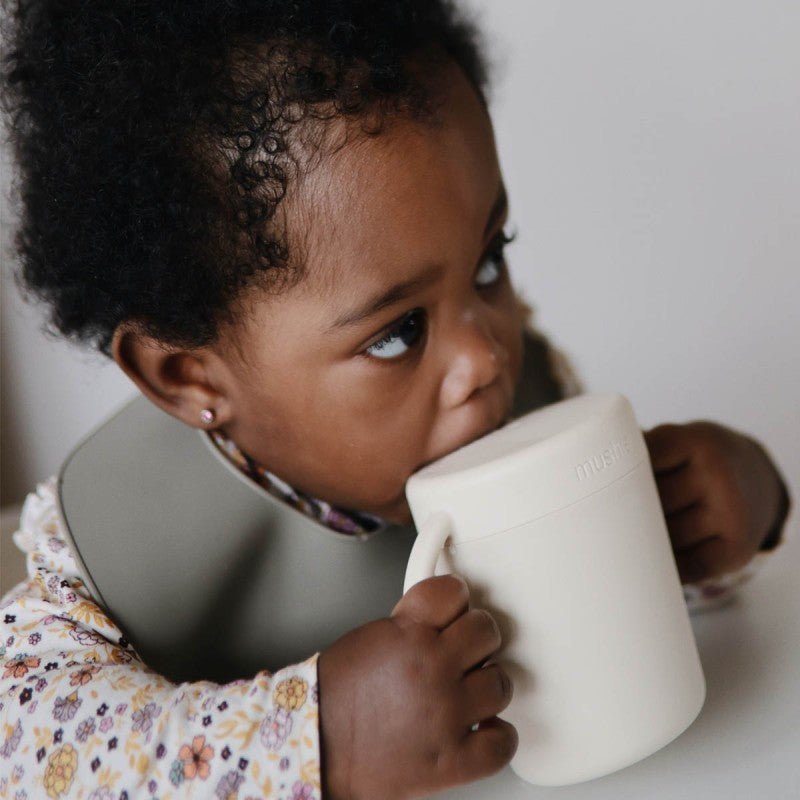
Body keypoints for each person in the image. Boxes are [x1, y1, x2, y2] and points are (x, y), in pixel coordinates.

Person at [0, 1, 791, 797]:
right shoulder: (106, 553)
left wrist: (717, 515)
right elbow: (27, 750)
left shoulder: (514, 404)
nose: (486, 356)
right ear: (191, 378)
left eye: (489, 263)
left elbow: (612, 612)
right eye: (396, 333)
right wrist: (315, 740)